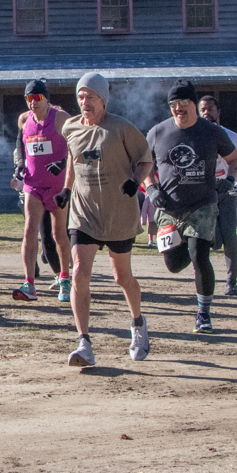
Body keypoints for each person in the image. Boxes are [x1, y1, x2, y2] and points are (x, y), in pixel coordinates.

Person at [60, 73, 154, 367]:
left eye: (90, 96)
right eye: (80, 96)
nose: (84, 102)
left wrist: (135, 181)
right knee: (79, 273)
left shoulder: (121, 128)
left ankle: (138, 323)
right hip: (84, 213)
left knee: (121, 277)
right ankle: (84, 342)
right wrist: (66, 190)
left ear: (103, 99)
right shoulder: (70, 127)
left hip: (118, 213)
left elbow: (146, 158)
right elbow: (73, 159)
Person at [142, 79, 237, 334]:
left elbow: (235, 159)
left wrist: (230, 180)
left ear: (194, 104)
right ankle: (193, 240)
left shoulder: (211, 132)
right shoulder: (157, 132)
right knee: (173, 264)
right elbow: (143, 166)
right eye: (173, 104)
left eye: (183, 102)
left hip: (202, 203)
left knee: (200, 256)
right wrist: (152, 189)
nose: (178, 108)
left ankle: (203, 313)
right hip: (169, 207)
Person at [12, 79, 71, 303]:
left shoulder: (61, 118)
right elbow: (20, 141)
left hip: (57, 186)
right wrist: (20, 163)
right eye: (29, 98)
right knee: (29, 230)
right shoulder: (24, 119)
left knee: (59, 234)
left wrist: (62, 163)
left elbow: (77, 143)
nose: (33, 102)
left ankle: (65, 279)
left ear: (46, 98)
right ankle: (29, 283)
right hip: (33, 184)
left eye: (37, 98)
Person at [199, 95, 237, 297]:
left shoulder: (232, 137)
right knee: (211, 239)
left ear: (218, 112)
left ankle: (232, 282)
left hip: (228, 190)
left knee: (230, 236)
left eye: (210, 109)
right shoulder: (193, 136)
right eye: (203, 109)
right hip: (204, 194)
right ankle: (205, 281)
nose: (207, 113)